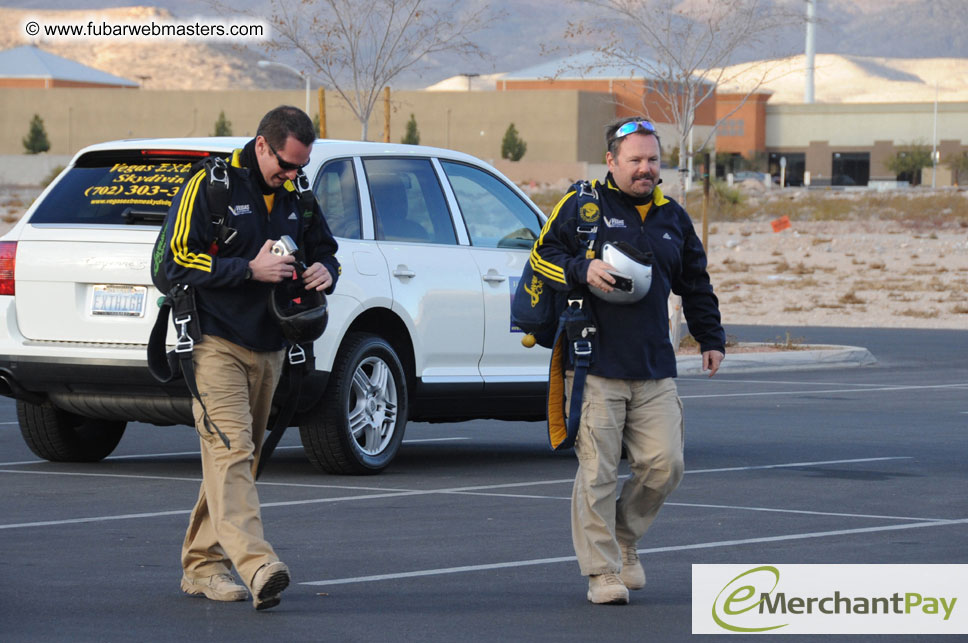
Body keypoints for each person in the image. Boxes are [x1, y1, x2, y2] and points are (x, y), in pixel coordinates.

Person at [530, 117, 725, 604]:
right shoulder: (583, 206)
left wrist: (710, 337)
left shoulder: (672, 218)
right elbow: (540, 256)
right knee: (596, 471)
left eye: (652, 159)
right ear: (612, 161)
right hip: (594, 363)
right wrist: (582, 266)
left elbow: (695, 282)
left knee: (666, 464)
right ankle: (602, 573)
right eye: (634, 160)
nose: (645, 169)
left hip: (654, 365)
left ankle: (624, 537)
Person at [163, 105, 340, 610]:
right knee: (234, 451)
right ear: (262, 145)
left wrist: (326, 269)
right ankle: (258, 565)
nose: (290, 176)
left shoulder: (297, 194)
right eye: (284, 165)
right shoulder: (213, 185)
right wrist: (247, 270)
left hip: (271, 346)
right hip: (213, 341)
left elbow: (324, 247)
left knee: (235, 459)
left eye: (299, 168)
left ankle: (201, 565)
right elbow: (170, 261)